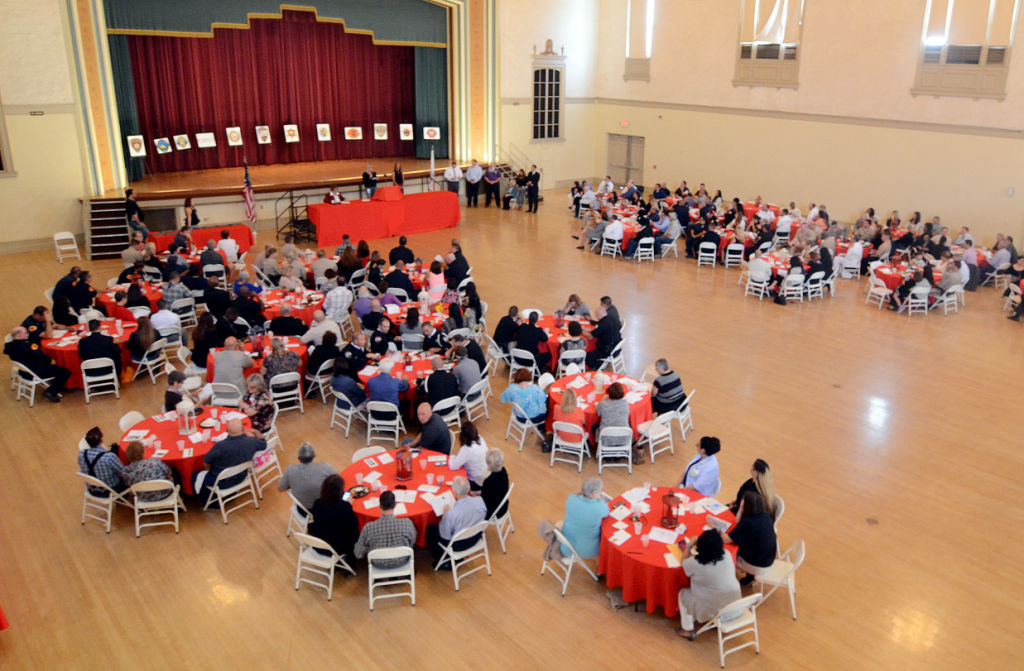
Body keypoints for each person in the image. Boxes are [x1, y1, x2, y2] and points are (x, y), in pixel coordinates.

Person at [675, 531, 742, 640]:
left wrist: (689, 545)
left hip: (715, 609)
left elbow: (683, 562)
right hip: (735, 606)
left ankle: (687, 629)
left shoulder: (696, 562)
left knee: (683, 593)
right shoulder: (727, 554)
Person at [193, 418, 265, 498]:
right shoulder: (252, 442)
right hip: (242, 476)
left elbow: (206, 463)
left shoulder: (219, 446)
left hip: (221, 482)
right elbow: (263, 443)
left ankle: (212, 502)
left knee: (194, 477)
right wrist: (255, 431)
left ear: (226, 430)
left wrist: (209, 471)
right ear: (243, 429)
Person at [426, 475, 487, 565]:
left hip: (458, 545)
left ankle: (441, 558)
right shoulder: (480, 501)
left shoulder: (452, 514)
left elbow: (444, 535)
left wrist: (445, 515)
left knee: (430, 530)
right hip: (476, 537)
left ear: (454, 492)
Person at [720, 491, 778, 582]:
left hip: (756, 565)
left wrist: (714, 527)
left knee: (726, 552)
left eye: (742, 506)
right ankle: (749, 576)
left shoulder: (748, 523)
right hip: (768, 559)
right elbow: (738, 521)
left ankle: (725, 576)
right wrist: (741, 509)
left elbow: (726, 539)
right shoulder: (766, 515)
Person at [353, 490, 418, 568]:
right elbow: (412, 542)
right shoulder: (407, 523)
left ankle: (384, 578)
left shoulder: (368, 528)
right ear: (395, 505)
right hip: (402, 560)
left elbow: (358, 554)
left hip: (378, 563)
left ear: (380, 506)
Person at [309, 474, 359, 563]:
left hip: (319, 543)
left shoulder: (317, 503)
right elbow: (354, 529)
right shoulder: (344, 507)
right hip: (337, 547)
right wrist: (348, 505)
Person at [278, 442, 337, 511]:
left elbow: (280, 489)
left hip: (302, 510)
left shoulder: (290, 470)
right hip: (324, 509)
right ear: (314, 456)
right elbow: (338, 479)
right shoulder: (324, 467)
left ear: (299, 458)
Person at [560, 477, 609, 559]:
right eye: (600, 491)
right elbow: (606, 513)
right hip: (587, 551)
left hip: (565, 546)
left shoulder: (571, 498)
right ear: (594, 493)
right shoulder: (600, 507)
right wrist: (600, 501)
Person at [78, 427, 126, 494]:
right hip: (110, 491)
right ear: (102, 440)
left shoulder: (82, 454)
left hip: (91, 489)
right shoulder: (109, 457)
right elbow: (123, 473)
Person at [449, 421, 489, 488]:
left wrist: (452, 456)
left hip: (476, 482)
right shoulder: (480, 439)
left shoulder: (466, 449)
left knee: (453, 479)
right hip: (486, 475)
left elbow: (453, 466)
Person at [481, 448, 510, 519]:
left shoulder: (489, 481)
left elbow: (483, 501)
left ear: (489, 464)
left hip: (493, 512)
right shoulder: (503, 470)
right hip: (503, 506)